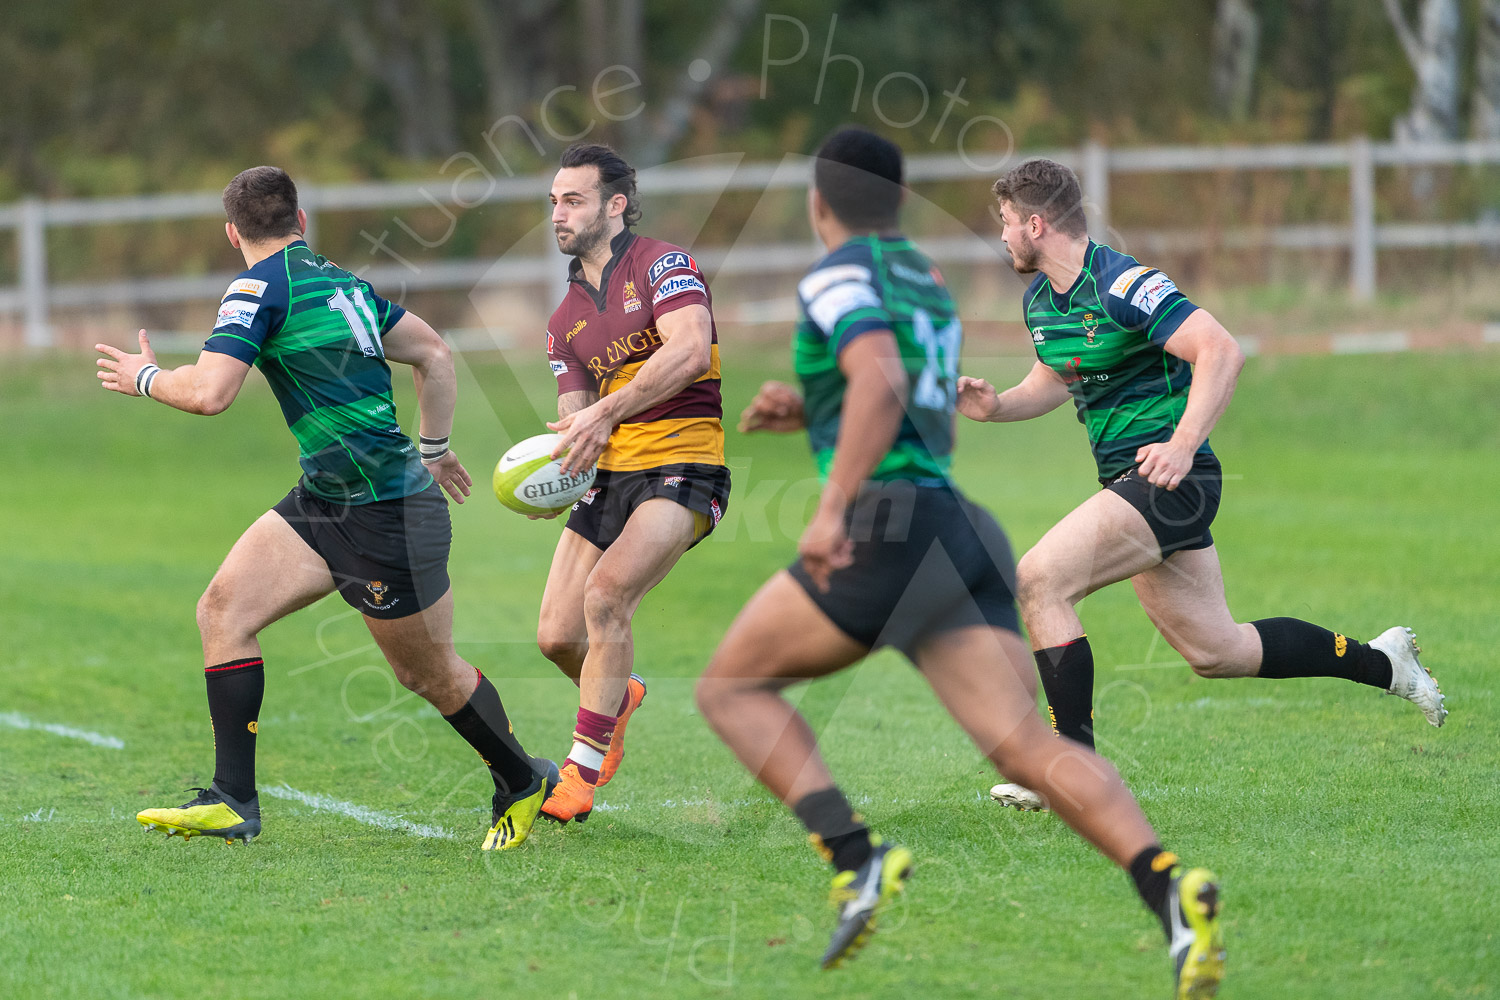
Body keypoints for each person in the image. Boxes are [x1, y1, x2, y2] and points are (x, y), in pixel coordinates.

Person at [697, 127, 1226, 996]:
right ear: (901, 201)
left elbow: (880, 383)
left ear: (818, 204)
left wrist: (831, 507)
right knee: (1026, 747)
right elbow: (906, 387)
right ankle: (1170, 890)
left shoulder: (836, 275)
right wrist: (814, 409)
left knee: (730, 688)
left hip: (884, 527)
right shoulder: (923, 279)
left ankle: (855, 856)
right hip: (957, 530)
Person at [960, 158, 1446, 813]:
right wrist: (998, 405)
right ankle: (1386, 663)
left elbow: (1219, 349)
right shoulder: (1042, 301)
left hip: (1173, 481)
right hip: (1131, 485)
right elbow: (1056, 377)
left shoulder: (1124, 283)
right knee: (1216, 649)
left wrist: (1183, 443)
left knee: (1040, 579)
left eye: (1007, 224)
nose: (1003, 238)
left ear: (1037, 224)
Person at [95, 166, 555, 851]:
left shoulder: (256, 287)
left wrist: (145, 378)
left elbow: (211, 392)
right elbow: (433, 351)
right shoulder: (345, 283)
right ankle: (232, 799)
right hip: (326, 498)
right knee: (223, 611)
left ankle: (521, 778)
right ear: (300, 221)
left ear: (232, 233)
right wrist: (435, 446)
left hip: (387, 513)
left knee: (427, 673)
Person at [532, 143, 731, 824]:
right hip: (610, 476)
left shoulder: (662, 264)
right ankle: (623, 696)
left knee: (608, 596)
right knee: (557, 636)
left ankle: (579, 775)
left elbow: (688, 348)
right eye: (555, 200)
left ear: (615, 205)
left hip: (684, 460)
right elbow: (572, 418)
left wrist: (603, 413)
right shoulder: (563, 321)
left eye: (574, 199)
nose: (559, 212)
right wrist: (552, 476)